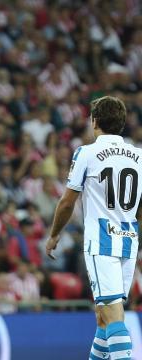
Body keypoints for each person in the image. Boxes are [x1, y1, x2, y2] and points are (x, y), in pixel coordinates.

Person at [46, 96, 141, 360]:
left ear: (95, 121)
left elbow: (67, 202)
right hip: (128, 240)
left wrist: (54, 234)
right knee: (104, 315)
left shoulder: (86, 153)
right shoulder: (139, 156)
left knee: (111, 314)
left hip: (101, 241)